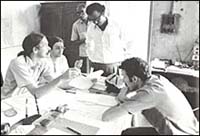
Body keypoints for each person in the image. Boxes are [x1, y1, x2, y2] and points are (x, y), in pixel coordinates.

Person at [102, 57, 199, 135]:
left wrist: (123, 92)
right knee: (128, 132)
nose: (123, 80)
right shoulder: (156, 79)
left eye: (124, 77)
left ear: (135, 78)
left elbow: (106, 117)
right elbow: (127, 100)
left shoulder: (150, 94)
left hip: (181, 133)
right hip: (189, 129)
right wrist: (126, 89)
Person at [1, 32, 80, 100]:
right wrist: (61, 77)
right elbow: (36, 93)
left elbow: (56, 83)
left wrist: (78, 85)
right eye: (45, 45)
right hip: (9, 101)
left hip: (26, 98)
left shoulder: (43, 62)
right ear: (35, 50)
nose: (49, 48)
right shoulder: (18, 63)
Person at [85, 3, 126, 76]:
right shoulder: (91, 28)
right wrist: (92, 57)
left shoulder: (116, 25)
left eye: (96, 18)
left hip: (114, 63)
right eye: (92, 20)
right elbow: (88, 44)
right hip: (97, 64)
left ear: (103, 13)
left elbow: (125, 42)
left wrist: (122, 58)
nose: (95, 22)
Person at [71, 3, 89, 73]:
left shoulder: (93, 22)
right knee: (85, 75)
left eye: (82, 12)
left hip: (96, 55)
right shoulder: (76, 25)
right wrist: (84, 40)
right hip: (84, 55)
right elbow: (73, 41)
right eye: (78, 13)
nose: (80, 15)